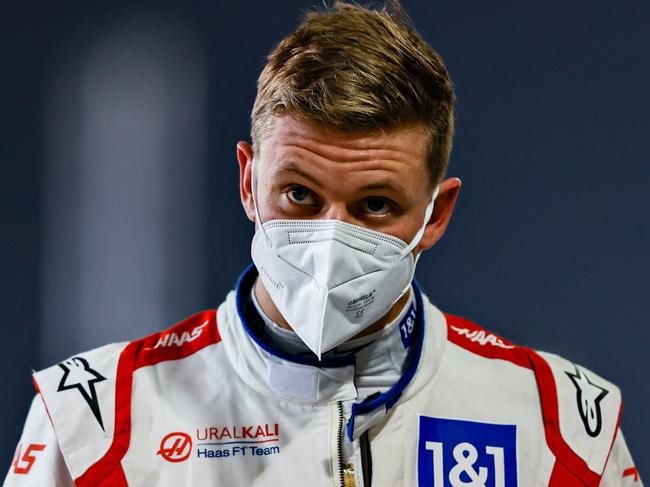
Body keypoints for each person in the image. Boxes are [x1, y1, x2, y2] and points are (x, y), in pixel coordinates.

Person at [3, 2, 641, 486]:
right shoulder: (93, 424)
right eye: (301, 196)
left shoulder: (561, 429)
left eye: (375, 205)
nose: (330, 238)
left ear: (437, 213)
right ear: (250, 182)